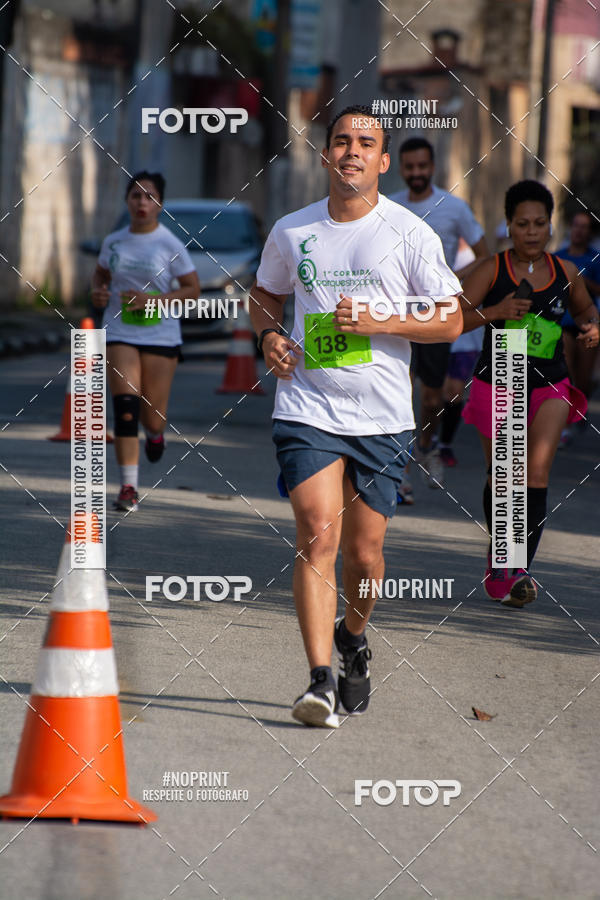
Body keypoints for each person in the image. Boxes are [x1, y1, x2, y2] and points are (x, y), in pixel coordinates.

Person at [249, 106, 463, 727]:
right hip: (307, 406)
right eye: (341, 141)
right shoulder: (293, 230)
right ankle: (319, 682)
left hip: (383, 417)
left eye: (365, 143)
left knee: (364, 558)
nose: (351, 151)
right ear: (326, 155)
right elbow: (266, 295)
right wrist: (268, 338)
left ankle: (353, 635)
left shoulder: (409, 234)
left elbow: (448, 318)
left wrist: (379, 320)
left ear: (383, 161)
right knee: (318, 532)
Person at [461, 180, 598, 607]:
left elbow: (585, 311)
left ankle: (516, 569)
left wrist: (592, 328)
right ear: (509, 226)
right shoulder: (491, 269)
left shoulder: (566, 273)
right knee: (504, 476)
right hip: (500, 377)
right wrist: (496, 312)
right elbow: (454, 318)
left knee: (534, 476)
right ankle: (502, 556)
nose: (532, 232)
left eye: (540, 223)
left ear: (550, 226)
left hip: (550, 383)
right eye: (523, 224)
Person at [91, 171, 200, 511]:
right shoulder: (114, 241)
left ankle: (155, 435)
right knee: (125, 408)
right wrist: (98, 292)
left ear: (160, 205)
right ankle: (128, 487)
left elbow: (192, 290)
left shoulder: (169, 244)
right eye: (136, 196)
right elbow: (101, 275)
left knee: (152, 416)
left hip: (160, 335)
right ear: (127, 201)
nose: (142, 203)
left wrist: (153, 301)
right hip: (120, 331)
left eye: (149, 197)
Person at [388, 137, 489, 488]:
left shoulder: (454, 207)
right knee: (397, 392)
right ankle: (397, 470)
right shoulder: (388, 206)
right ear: (400, 168)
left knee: (432, 399)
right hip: (394, 314)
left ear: (432, 167)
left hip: (433, 316)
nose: (416, 173)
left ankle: (427, 445)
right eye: (410, 167)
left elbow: (484, 255)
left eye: (422, 166)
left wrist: (452, 279)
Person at [556, 211, 600, 445]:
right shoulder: (558, 257)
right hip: (563, 324)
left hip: (587, 325)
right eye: (576, 225)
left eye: (584, 227)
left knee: (582, 380)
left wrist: (582, 281)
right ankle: (564, 424)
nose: (579, 230)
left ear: (589, 232)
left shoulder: (596, 259)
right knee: (567, 371)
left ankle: (580, 408)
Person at [438, 240, 483, 467]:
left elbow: (486, 259)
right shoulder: (431, 246)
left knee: (454, 391)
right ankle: (429, 439)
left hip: (466, 338)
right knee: (435, 393)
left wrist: (451, 276)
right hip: (437, 332)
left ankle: (444, 443)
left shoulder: (474, 256)